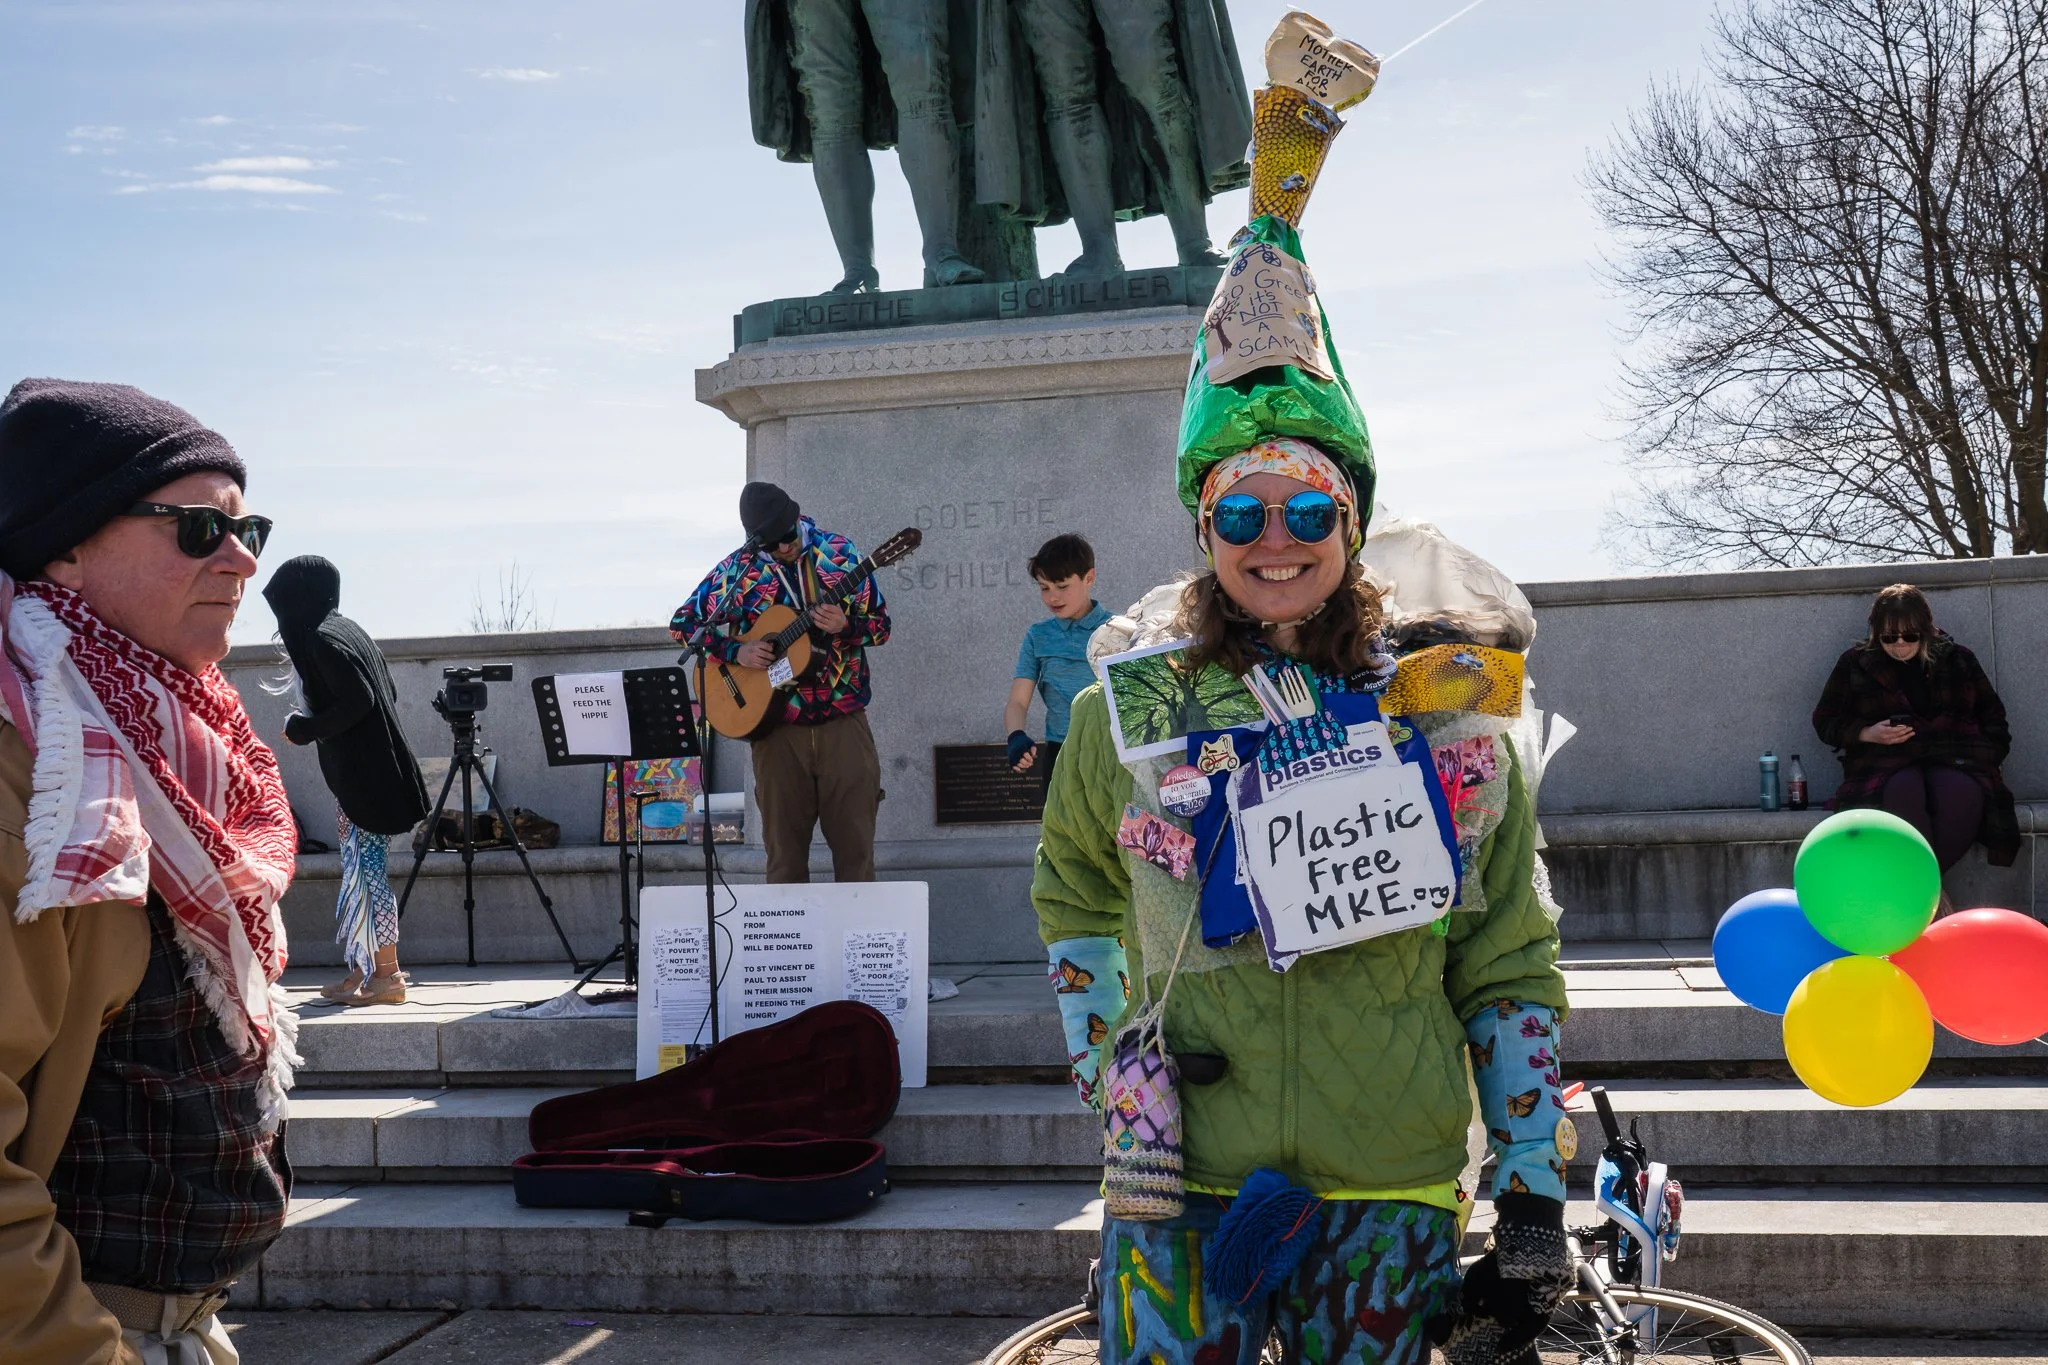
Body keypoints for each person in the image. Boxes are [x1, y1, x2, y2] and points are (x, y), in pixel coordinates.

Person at [1031, 59, 1571, 1364]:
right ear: (1204, 523)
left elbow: (1506, 957)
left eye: (1311, 509)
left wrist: (1534, 1179)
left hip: (1382, 1179)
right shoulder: (1128, 713)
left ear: (1354, 517)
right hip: (1176, 1185)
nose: (1279, 541)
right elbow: (1072, 897)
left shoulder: (1451, 714)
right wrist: (1113, 1073)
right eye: (1243, 513)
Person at [0, 379, 297, 1364]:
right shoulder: (32, 774)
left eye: (248, 523)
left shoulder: (174, 740)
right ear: (66, 546)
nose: (245, 556)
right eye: (200, 527)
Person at [671, 481, 890, 883]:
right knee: (784, 862)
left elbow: (880, 628)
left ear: (796, 518)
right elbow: (684, 625)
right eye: (772, 546)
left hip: (842, 719)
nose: (784, 549)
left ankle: (857, 945)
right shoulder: (740, 569)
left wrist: (846, 626)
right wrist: (736, 652)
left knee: (855, 855)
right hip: (774, 728)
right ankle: (789, 945)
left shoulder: (839, 554)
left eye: (788, 538)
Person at [264, 555, 431, 1007]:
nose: (282, 626)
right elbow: (383, 694)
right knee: (358, 873)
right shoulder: (346, 630)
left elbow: (360, 700)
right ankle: (361, 970)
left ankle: (388, 974)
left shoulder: (322, 640)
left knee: (370, 875)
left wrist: (305, 728)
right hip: (369, 778)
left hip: (368, 783)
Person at [1812, 583, 2018, 872]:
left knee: (1963, 794)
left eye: (1910, 636)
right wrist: (1867, 733)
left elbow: (1993, 715)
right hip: (1885, 762)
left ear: (1926, 630)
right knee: (1902, 791)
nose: (1899, 645)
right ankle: (1931, 892)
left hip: (1954, 755)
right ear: (1875, 633)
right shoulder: (1856, 663)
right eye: (1888, 637)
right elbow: (1825, 719)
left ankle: (1926, 886)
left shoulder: (1958, 658)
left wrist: (1989, 755)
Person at [1005, 533, 1109, 787]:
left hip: (1110, 754)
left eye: (1062, 587)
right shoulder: (1038, 636)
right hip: (1060, 754)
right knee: (1060, 828)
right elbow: (1018, 700)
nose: (1053, 597)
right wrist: (1016, 736)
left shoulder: (1118, 630)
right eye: (1044, 588)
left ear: (1089, 578)